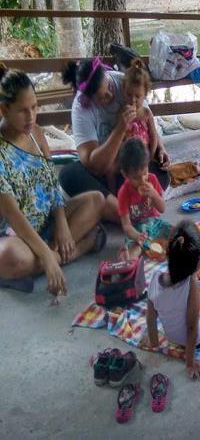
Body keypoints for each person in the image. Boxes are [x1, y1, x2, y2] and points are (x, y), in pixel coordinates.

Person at [0, 66, 106, 295]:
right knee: (10, 257)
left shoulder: (36, 134)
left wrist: (62, 224)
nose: (31, 116)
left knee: (97, 200)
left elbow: (51, 184)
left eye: (34, 107)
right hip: (15, 236)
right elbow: (12, 215)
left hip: (47, 223)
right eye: (22, 110)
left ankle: (30, 270)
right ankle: (76, 251)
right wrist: (48, 257)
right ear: (4, 109)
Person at [59, 57, 170, 223]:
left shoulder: (125, 82)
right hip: (104, 171)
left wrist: (160, 148)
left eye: (109, 87)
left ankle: (112, 208)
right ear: (89, 98)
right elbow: (94, 165)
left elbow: (147, 124)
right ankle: (123, 211)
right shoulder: (81, 108)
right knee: (69, 175)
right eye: (102, 97)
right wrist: (120, 129)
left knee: (160, 172)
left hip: (130, 170)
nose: (111, 95)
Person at [144, 221, 200, 380]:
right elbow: (191, 327)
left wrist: (154, 342)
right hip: (199, 339)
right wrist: (190, 363)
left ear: (168, 255)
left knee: (199, 291)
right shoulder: (191, 283)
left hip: (172, 337)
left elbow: (151, 318)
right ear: (198, 265)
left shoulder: (155, 279)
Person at [117, 138, 171, 258]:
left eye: (145, 173)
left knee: (174, 231)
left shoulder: (152, 179)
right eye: (136, 178)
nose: (142, 180)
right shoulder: (123, 193)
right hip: (137, 228)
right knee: (136, 245)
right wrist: (137, 236)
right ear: (125, 175)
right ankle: (127, 258)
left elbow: (162, 209)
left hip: (155, 223)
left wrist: (154, 194)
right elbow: (126, 225)